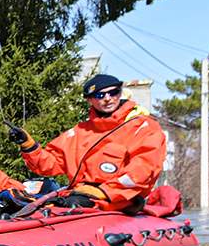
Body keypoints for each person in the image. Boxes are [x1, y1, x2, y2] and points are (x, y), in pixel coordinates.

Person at [11, 72, 169, 210]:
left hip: (121, 202)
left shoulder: (142, 127)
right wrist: (29, 146)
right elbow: (49, 165)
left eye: (113, 92)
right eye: (100, 95)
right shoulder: (79, 133)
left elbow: (143, 170)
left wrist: (105, 191)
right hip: (82, 198)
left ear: (120, 93)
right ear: (89, 100)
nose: (108, 99)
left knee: (68, 205)